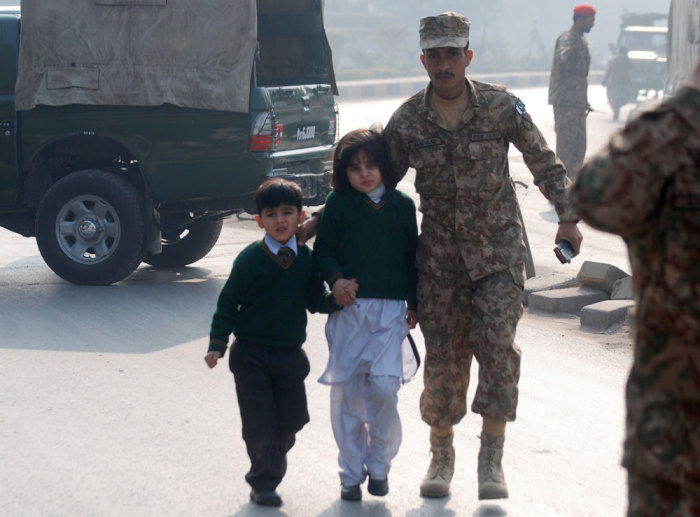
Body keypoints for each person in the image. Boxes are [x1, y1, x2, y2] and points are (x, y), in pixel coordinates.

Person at [573, 51, 700, 517]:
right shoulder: (676, 137)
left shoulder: (672, 132)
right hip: (677, 427)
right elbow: (593, 193)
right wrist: (691, 105)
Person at [204, 178, 349, 507]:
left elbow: (315, 300)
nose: (280, 220)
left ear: (301, 218)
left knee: (291, 422)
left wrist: (337, 300)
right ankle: (264, 481)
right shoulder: (249, 259)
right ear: (260, 221)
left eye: (288, 213)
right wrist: (217, 343)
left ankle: (270, 461)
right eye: (271, 214)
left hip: (289, 357)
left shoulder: (306, 259)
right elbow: (228, 304)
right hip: (251, 355)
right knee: (259, 424)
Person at [313, 128, 419, 501]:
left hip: (390, 315)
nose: (364, 173)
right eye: (355, 168)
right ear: (344, 173)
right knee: (347, 399)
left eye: (371, 165)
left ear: (385, 167)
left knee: (385, 388)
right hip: (348, 315)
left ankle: (379, 465)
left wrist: (414, 303)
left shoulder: (402, 206)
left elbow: (412, 259)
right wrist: (336, 281)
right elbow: (323, 251)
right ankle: (350, 473)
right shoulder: (338, 204)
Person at [548, 4, 596, 179]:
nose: (593, 24)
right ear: (580, 20)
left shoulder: (582, 41)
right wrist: (565, 54)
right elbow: (562, 55)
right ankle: (560, 187)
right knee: (566, 149)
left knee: (579, 148)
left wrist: (584, 101)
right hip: (566, 104)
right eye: (591, 21)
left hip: (577, 105)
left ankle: (572, 186)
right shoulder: (568, 38)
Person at [602, 46, 635, 121]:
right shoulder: (627, 60)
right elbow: (633, 68)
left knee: (613, 99)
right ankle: (617, 111)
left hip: (613, 83)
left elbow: (609, 71)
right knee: (622, 98)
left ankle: (616, 112)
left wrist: (604, 82)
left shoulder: (614, 60)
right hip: (625, 82)